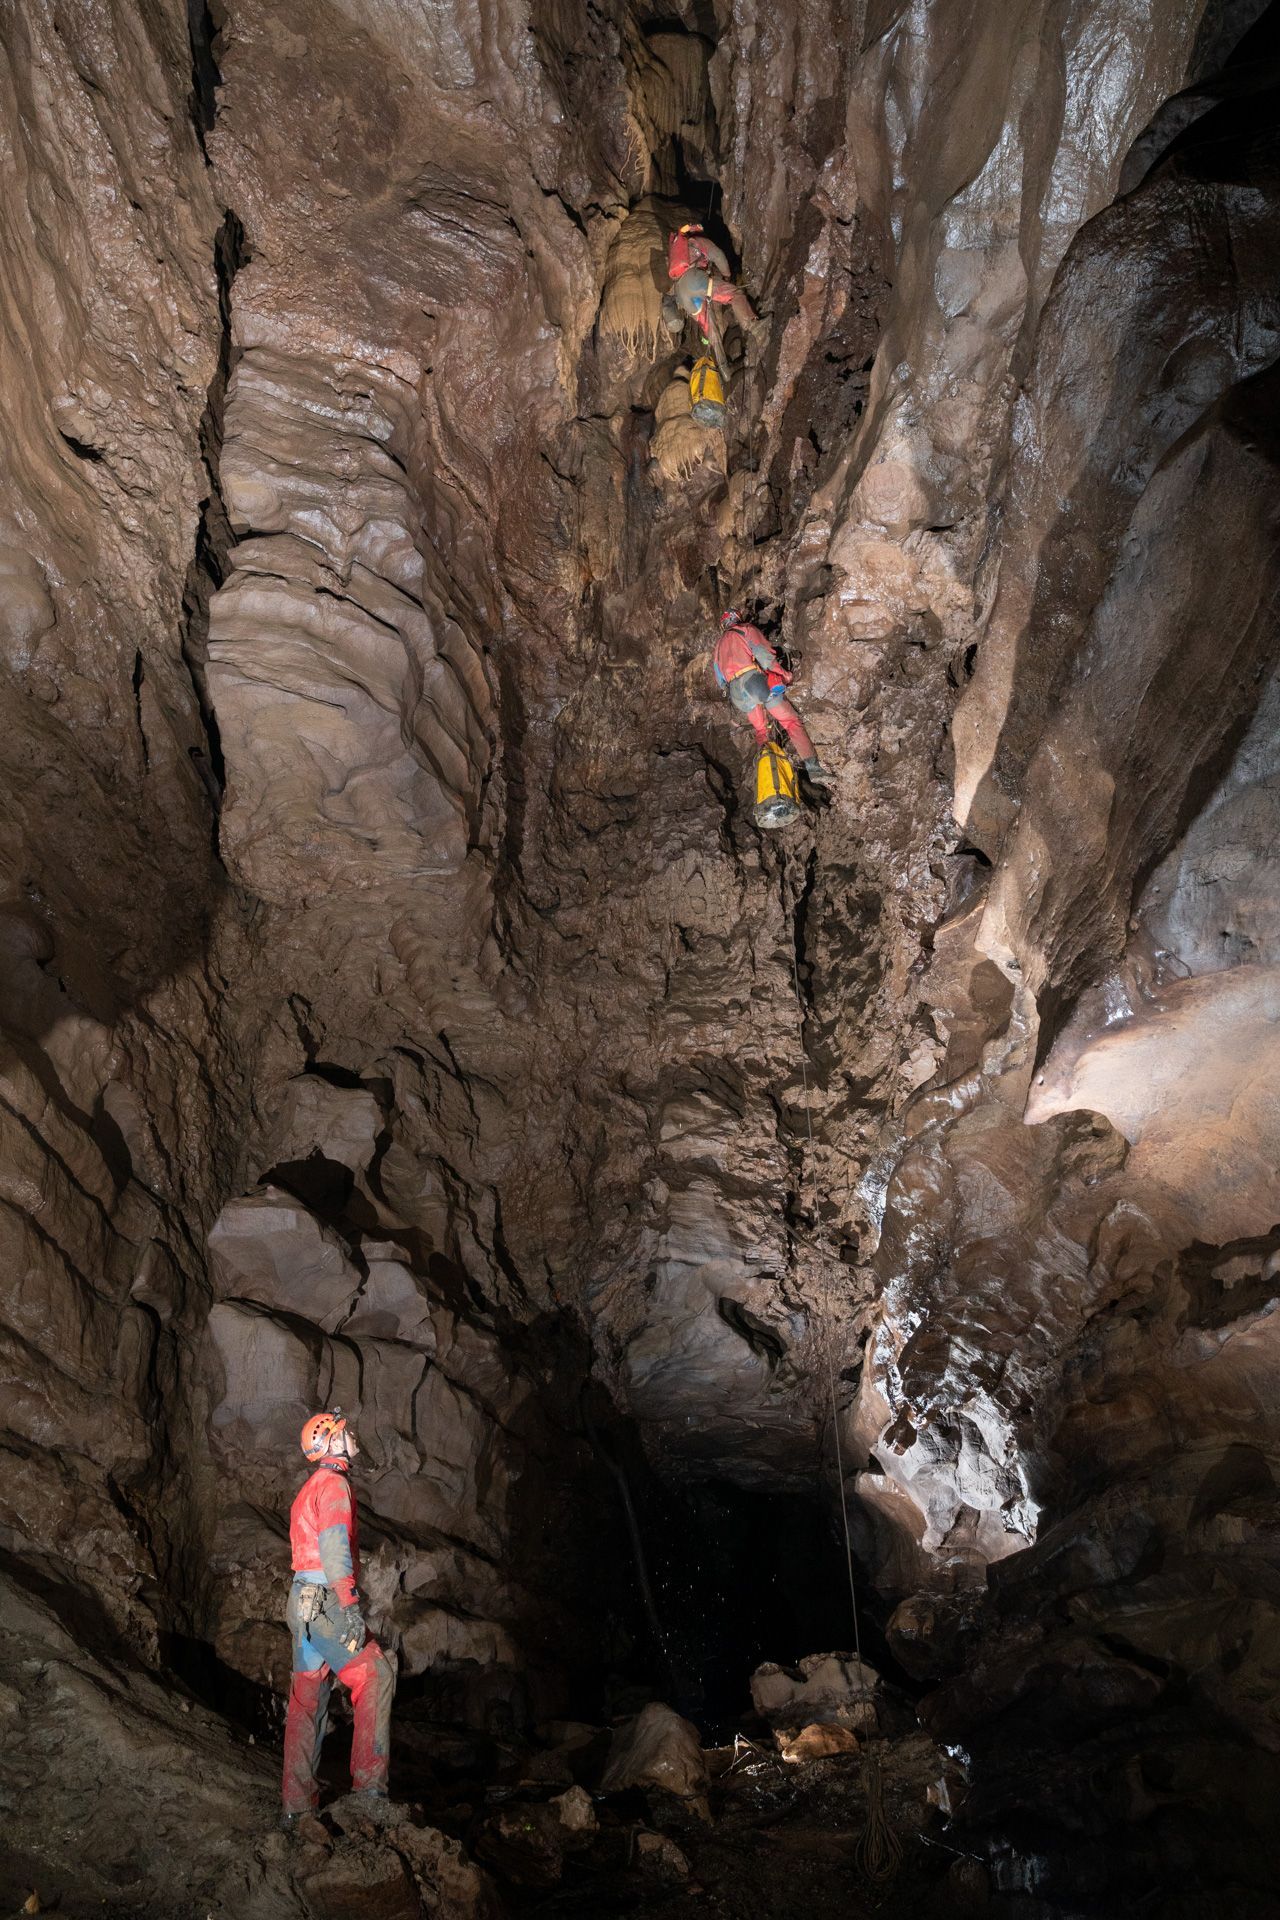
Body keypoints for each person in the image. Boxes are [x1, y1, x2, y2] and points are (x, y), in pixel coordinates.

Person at [280, 1408, 395, 1830]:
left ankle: (296, 1806)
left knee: (306, 1701)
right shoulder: (333, 1486)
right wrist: (349, 1606)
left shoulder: (308, 1488)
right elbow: (333, 1549)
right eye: (345, 1432)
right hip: (327, 1603)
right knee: (377, 1674)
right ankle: (369, 1791)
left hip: (301, 1602)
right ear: (330, 1443)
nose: (353, 1435)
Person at [713, 609, 835, 785]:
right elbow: (764, 656)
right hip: (753, 682)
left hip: (737, 694)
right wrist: (783, 674)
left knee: (762, 731)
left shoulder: (717, 647)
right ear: (737, 618)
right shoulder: (744, 629)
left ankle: (769, 778)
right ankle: (815, 771)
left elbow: (720, 680)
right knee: (791, 722)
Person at [666, 222, 757, 342]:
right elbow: (719, 257)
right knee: (735, 294)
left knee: (706, 323)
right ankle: (754, 327)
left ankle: (712, 347)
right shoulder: (698, 241)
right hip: (694, 281)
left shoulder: (678, 252)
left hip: (681, 294)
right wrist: (727, 276)